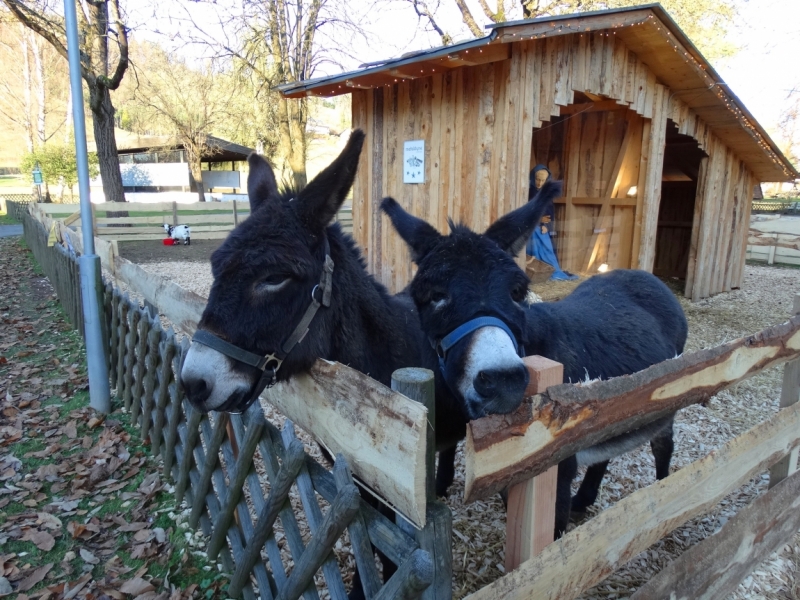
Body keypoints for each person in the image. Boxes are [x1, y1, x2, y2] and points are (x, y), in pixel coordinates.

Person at [525, 164, 578, 281]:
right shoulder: (528, 193)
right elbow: (525, 212)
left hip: (543, 230)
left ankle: (548, 271)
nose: (539, 183)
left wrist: (546, 225)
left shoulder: (547, 193)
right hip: (531, 230)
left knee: (547, 250)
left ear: (547, 180)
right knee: (534, 250)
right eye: (537, 179)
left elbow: (549, 213)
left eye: (543, 180)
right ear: (533, 178)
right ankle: (534, 271)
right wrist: (538, 220)